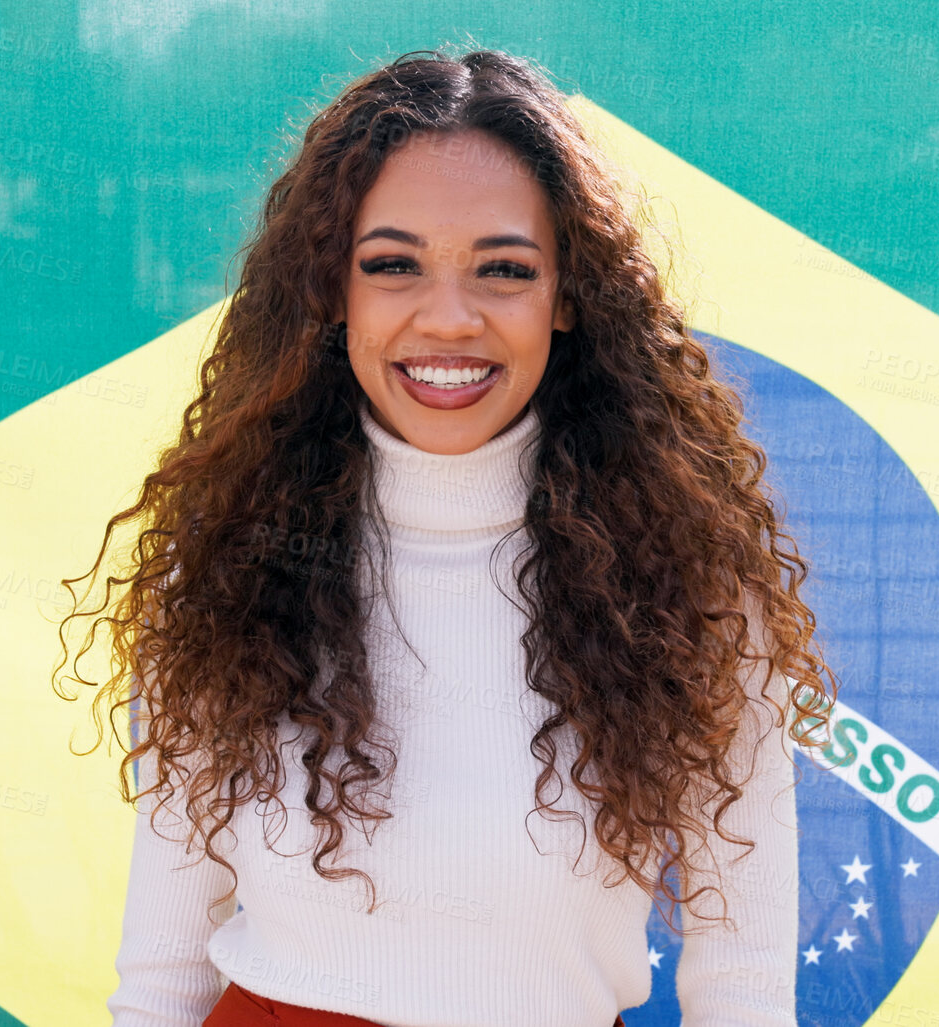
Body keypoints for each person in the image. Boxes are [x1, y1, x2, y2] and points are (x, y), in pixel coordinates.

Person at [59, 45, 837, 1027]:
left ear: (567, 299)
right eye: (393, 265)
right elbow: (163, 976)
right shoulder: (224, 566)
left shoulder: (691, 584)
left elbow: (744, 987)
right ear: (329, 295)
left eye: (503, 269)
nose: (449, 317)